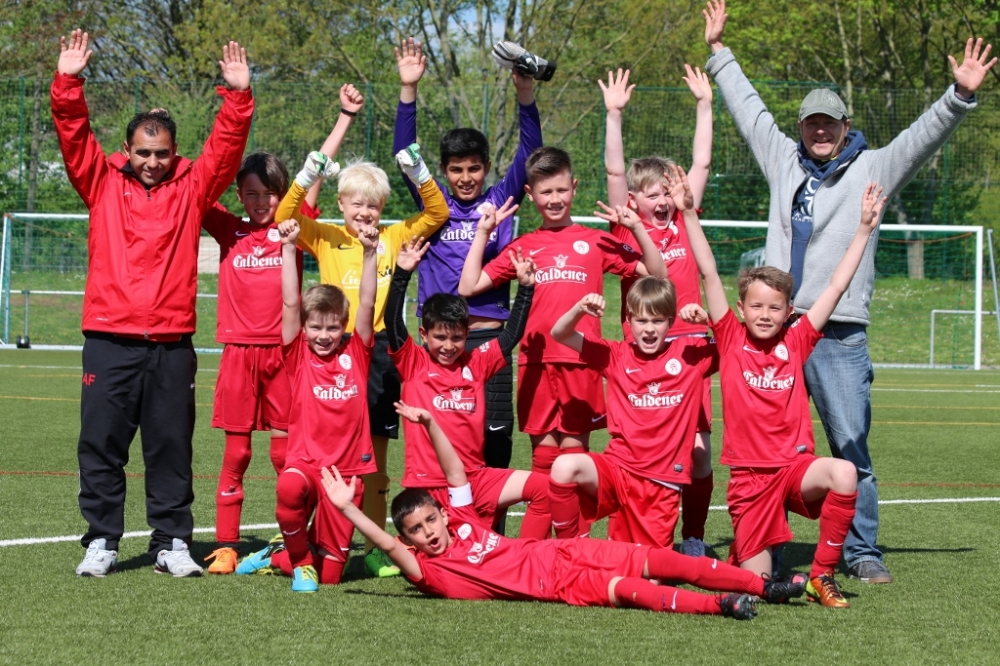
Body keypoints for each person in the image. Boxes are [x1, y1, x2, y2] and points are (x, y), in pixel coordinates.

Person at [702, 0, 997, 584]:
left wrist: (959, 96)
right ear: (802, 127)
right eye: (811, 122)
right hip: (774, 332)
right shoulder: (781, 159)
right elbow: (749, 108)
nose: (819, 130)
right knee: (765, 449)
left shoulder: (874, 167)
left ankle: (861, 550)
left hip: (836, 335)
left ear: (844, 126)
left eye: (829, 123)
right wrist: (719, 52)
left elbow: (920, 139)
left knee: (849, 445)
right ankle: (765, 537)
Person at [53, 30, 255, 577]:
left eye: (162, 153)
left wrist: (238, 96)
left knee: (170, 448)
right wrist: (68, 83)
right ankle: (102, 540)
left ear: (174, 152)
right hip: (108, 340)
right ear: (127, 151)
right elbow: (73, 136)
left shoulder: (192, 187)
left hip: (170, 345)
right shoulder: (100, 182)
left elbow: (225, 150)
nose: (152, 162)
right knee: (101, 446)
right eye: (143, 153)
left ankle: (171, 543)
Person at [319, 401, 807, 619]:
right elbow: (385, 542)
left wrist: (430, 425)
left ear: (443, 515)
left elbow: (455, 474)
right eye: (416, 531)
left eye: (430, 519)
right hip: (558, 585)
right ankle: (721, 605)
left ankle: (764, 586)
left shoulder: (460, 517)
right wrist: (348, 509)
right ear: (409, 542)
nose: (428, 532)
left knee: (665, 561)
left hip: (566, 551)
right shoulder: (430, 571)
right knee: (630, 590)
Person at [675, 161, 887, 607]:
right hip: (750, 479)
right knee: (756, 584)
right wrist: (689, 213)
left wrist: (864, 230)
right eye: (756, 306)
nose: (765, 315)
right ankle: (745, 555)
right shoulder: (729, 338)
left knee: (845, 472)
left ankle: (821, 576)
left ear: (789, 311)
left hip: (793, 470)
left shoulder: (798, 338)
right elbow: (708, 272)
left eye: (775, 307)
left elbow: (835, 286)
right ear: (741, 309)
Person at [199, 85, 364, 574]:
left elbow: (317, 168)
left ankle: (291, 537)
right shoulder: (228, 229)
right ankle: (225, 546)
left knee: (285, 455)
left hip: (287, 356)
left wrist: (344, 117)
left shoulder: (293, 224)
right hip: (238, 354)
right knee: (236, 452)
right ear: (239, 195)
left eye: (269, 193)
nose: (261, 202)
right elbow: (200, 184)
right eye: (251, 193)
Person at [274, 142, 449, 576]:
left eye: (373, 205)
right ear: (341, 203)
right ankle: (303, 541)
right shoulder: (327, 236)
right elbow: (284, 216)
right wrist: (308, 174)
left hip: (377, 349)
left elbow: (437, 213)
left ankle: (372, 545)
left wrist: (419, 172)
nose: (365, 213)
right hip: (330, 348)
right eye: (357, 204)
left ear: (382, 207)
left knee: (375, 456)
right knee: (325, 451)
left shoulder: (392, 236)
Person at [392, 38, 544, 532]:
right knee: (438, 442)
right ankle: (445, 529)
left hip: (490, 338)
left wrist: (526, 97)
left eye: (473, 168)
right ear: (444, 171)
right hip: (440, 345)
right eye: (456, 169)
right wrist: (408, 91)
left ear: (485, 168)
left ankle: (490, 537)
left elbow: (531, 153)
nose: (465, 177)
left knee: (495, 441)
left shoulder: (500, 200)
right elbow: (404, 155)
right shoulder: (434, 202)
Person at [459, 147, 666, 501]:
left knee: (574, 457)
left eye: (561, 190)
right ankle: (546, 532)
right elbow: (468, 286)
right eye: (546, 192)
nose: (554, 199)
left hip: (581, 361)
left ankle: (573, 533)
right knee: (543, 461)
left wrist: (637, 228)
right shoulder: (524, 246)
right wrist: (483, 233)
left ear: (574, 187)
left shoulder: (596, 241)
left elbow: (657, 274)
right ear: (530, 194)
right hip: (536, 363)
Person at [599, 66, 717, 558]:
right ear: (634, 201)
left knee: (700, 456)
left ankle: (693, 538)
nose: (665, 200)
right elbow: (615, 174)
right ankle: (637, 537)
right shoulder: (627, 229)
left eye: (668, 192)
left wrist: (705, 105)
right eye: (654, 194)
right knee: (641, 452)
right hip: (642, 357)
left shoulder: (687, 220)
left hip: (689, 354)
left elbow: (701, 163)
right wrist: (613, 116)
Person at [236, 197, 378, 592]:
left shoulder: (357, 352)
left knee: (331, 578)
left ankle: (277, 555)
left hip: (347, 473)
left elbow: (367, 303)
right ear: (305, 327)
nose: (324, 336)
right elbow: (289, 302)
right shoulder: (298, 354)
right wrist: (287, 248)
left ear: (343, 326)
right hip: (307, 464)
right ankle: (300, 562)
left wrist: (370, 253)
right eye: (316, 327)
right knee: (288, 486)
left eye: (333, 328)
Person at [384, 224, 550, 540]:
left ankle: (528, 555)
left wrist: (526, 288)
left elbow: (510, 336)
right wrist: (402, 274)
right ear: (424, 335)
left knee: (545, 488)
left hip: (476, 478)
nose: (448, 346)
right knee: (446, 555)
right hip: (429, 484)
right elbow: (392, 323)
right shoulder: (414, 362)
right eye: (440, 337)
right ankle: (404, 547)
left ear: (467, 334)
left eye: (457, 338)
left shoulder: (477, 362)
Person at [548, 276, 718, 549]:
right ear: (628, 321)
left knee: (644, 569)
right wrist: (580, 308)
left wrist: (709, 320)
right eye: (641, 320)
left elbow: (737, 343)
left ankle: (691, 543)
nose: (649, 329)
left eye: (657, 321)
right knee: (564, 466)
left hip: (661, 482)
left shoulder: (691, 354)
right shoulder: (615, 355)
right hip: (619, 470)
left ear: (671, 321)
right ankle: (570, 551)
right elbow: (560, 333)